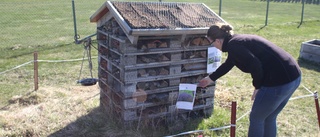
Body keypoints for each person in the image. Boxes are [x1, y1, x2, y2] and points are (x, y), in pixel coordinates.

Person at [198, 23, 301, 137]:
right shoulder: (236, 41)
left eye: (211, 43)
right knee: (269, 117)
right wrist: (210, 79)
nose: (212, 46)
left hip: (278, 81)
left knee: (256, 118)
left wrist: (257, 86)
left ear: (218, 41)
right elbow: (229, 63)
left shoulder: (234, 46)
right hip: (293, 75)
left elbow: (255, 65)